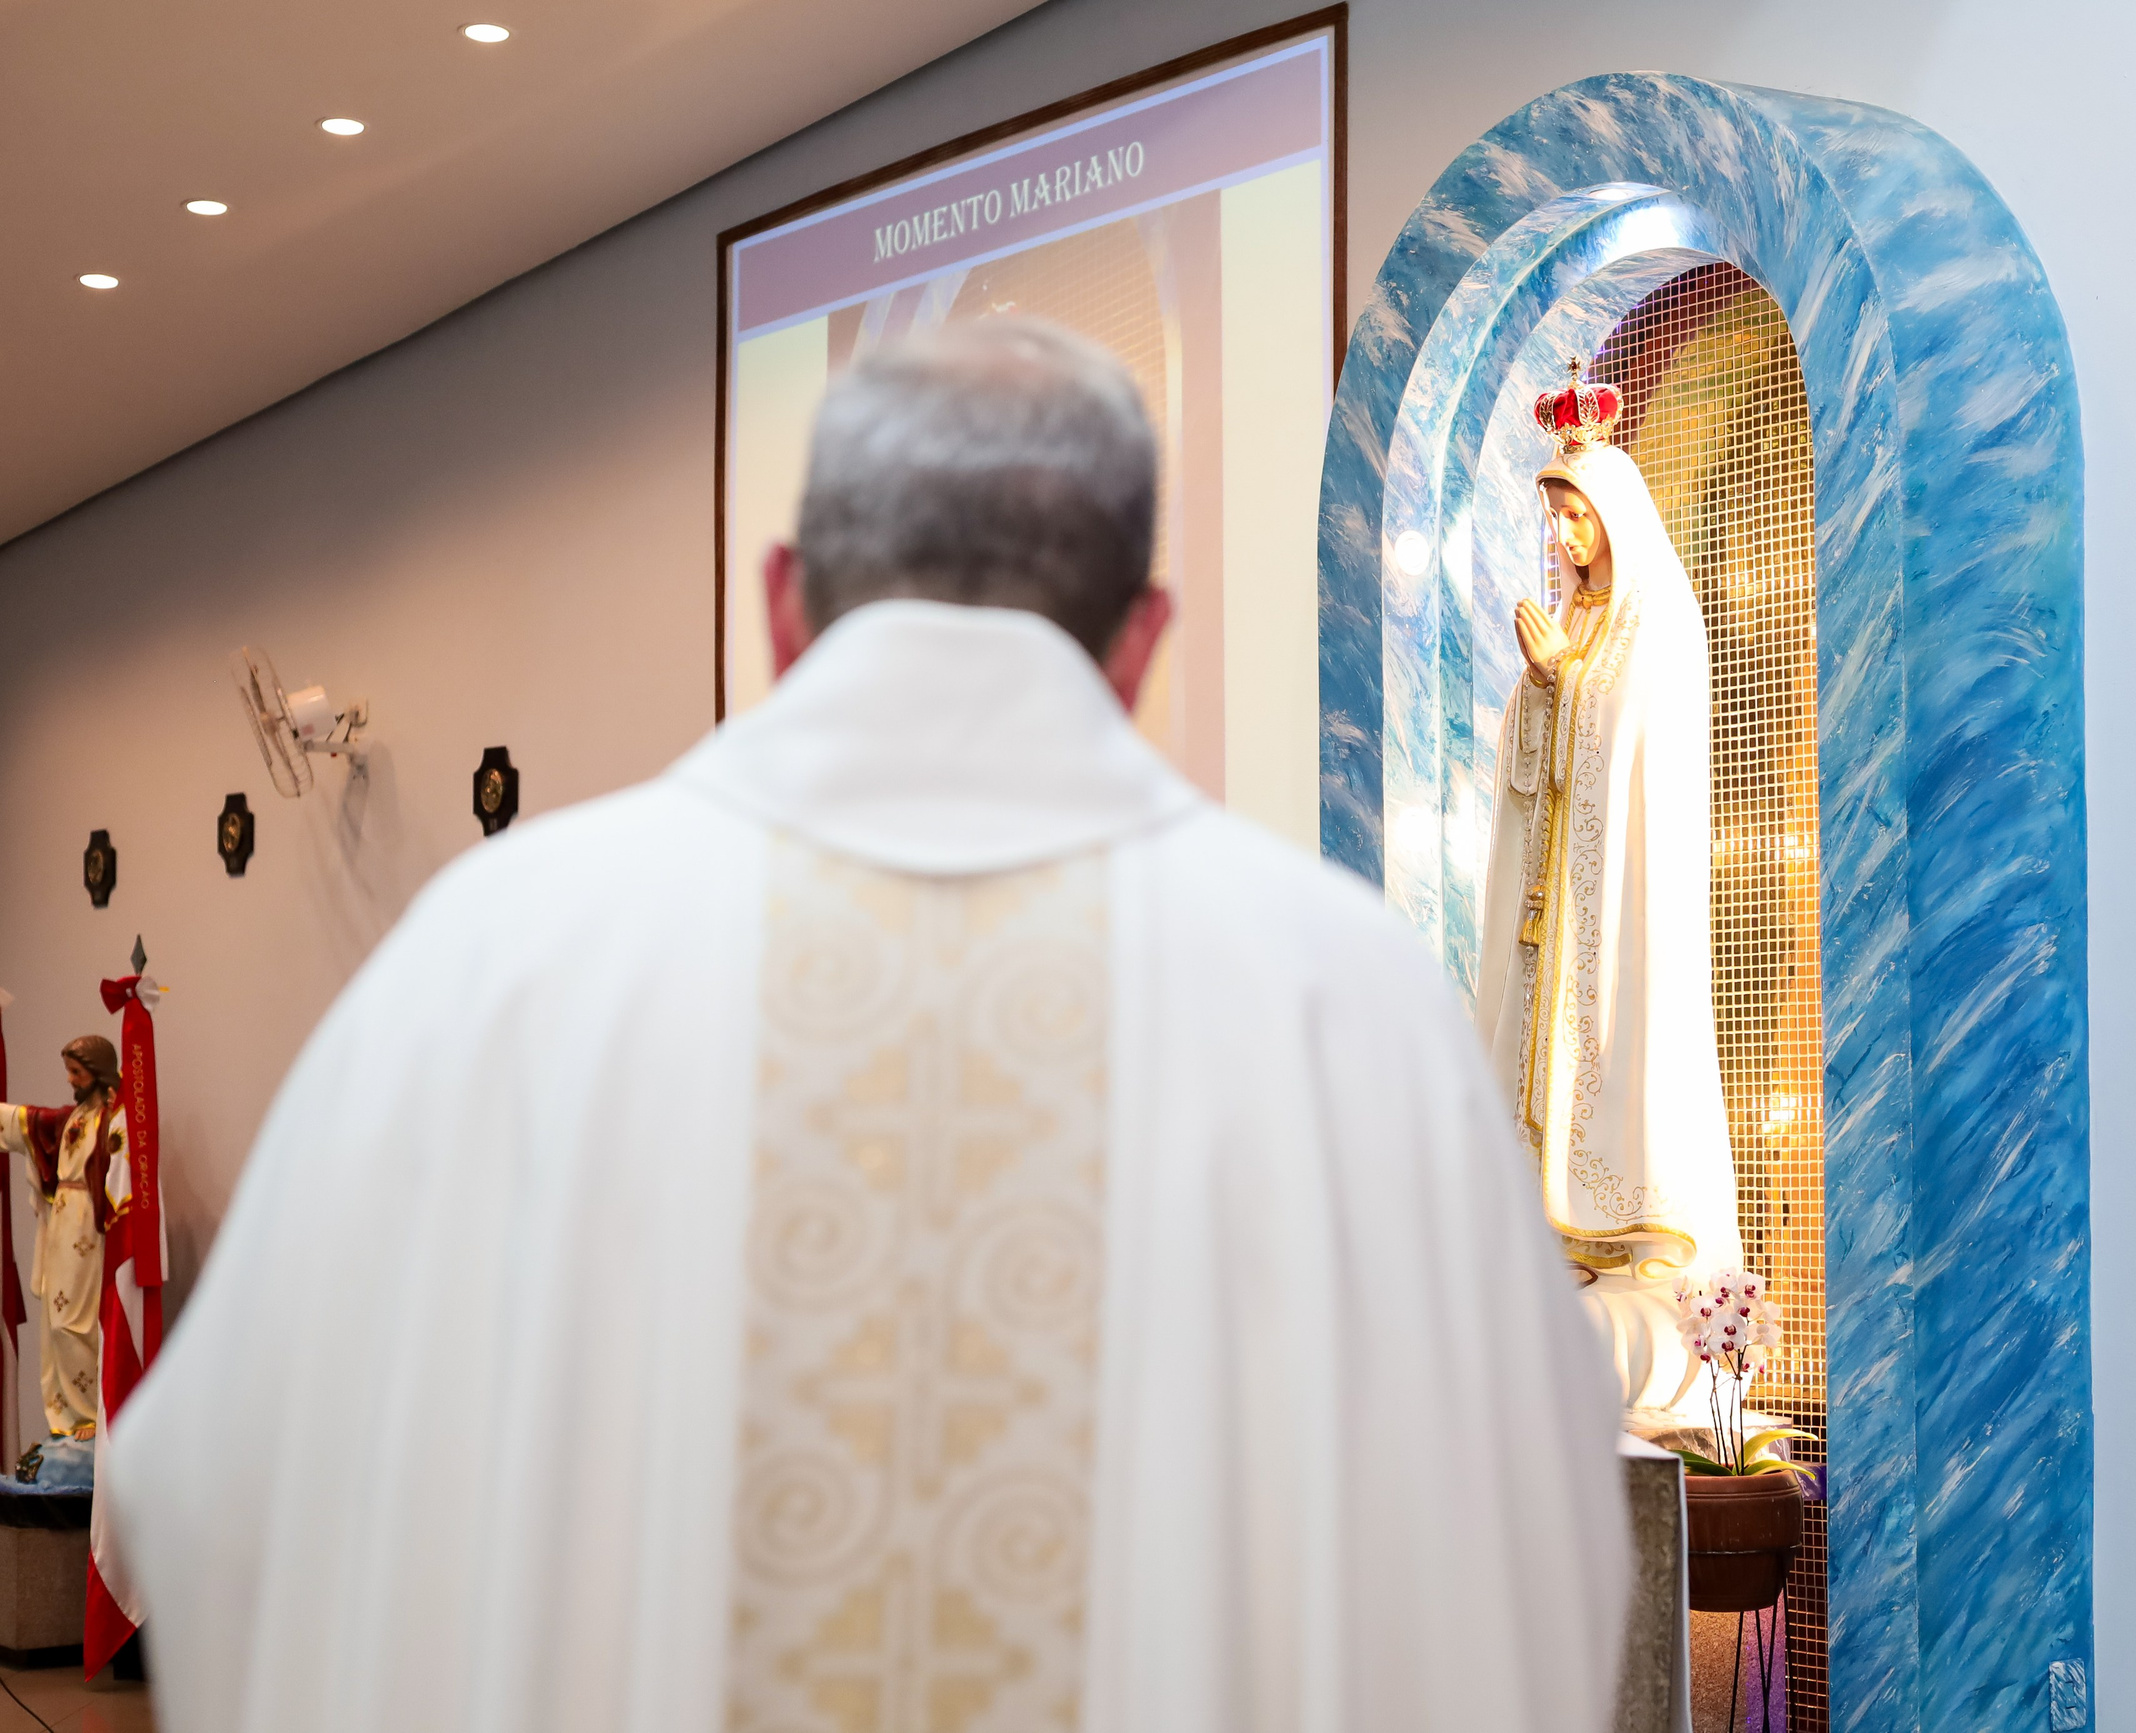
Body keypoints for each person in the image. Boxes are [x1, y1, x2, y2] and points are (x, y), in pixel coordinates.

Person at [112, 320, 1630, 1733]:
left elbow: (199, 1496)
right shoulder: (1346, 1007)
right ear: (1145, 637)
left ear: (784, 605)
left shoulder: (494, 962)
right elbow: (1530, 1556)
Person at [1477, 410, 1745, 1424]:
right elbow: (1530, 770)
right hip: (1554, 911)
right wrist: (1542, 690)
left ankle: (1634, 1241)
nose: (1562, 536)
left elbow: (1639, 737)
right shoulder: (1576, 623)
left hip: (1620, 919)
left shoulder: (1656, 619)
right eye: (1553, 517)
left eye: (1576, 515)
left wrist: (1567, 679)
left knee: (1614, 1059)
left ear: (1614, 516)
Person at [0, 1034, 126, 1440]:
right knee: (54, 1322)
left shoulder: (110, 1118)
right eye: (69, 1071)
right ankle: (64, 1416)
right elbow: (29, 1122)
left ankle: (87, 1413)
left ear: (98, 1073)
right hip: (62, 1223)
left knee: (76, 1321)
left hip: (87, 1227)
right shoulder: (75, 1117)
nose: (70, 1080)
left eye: (77, 1072)